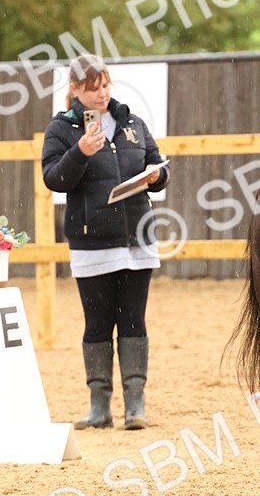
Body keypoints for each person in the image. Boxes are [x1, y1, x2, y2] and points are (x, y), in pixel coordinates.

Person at [42, 54, 170, 429]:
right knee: (97, 324)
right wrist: (79, 153)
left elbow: (158, 165)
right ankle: (99, 408)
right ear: (75, 90)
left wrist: (156, 177)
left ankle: (135, 406)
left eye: (105, 85)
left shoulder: (133, 122)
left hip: (137, 239)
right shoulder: (61, 129)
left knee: (133, 320)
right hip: (92, 243)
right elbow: (53, 178)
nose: (102, 94)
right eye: (93, 88)